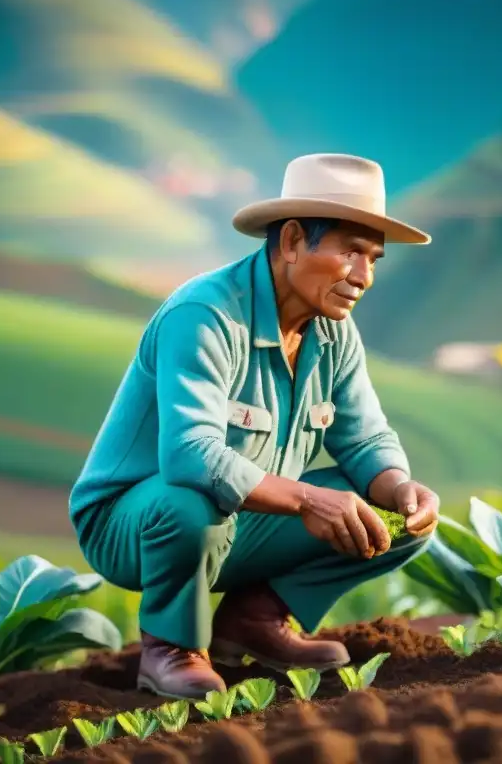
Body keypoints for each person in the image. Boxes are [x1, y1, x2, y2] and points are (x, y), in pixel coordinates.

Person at [69, 153, 440, 699]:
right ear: (292, 241)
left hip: (244, 516)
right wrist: (310, 501)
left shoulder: (334, 333)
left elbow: (365, 439)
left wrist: (399, 486)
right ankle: (171, 648)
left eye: (375, 259)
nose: (364, 277)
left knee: (394, 519)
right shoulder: (204, 315)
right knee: (191, 500)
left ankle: (255, 621)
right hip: (135, 523)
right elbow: (191, 455)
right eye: (351, 252)